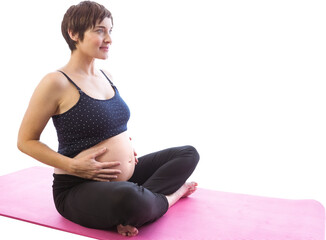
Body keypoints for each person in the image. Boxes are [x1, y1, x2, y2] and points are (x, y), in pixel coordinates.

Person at [17, 1, 199, 237]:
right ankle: (169, 198)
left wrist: (126, 148)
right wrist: (72, 165)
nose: (109, 39)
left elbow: (111, 126)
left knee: (187, 154)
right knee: (129, 197)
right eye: (100, 31)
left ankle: (134, 208)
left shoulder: (107, 76)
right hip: (78, 187)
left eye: (110, 31)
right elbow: (25, 141)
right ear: (74, 34)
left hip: (122, 178)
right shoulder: (56, 82)